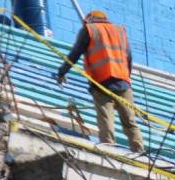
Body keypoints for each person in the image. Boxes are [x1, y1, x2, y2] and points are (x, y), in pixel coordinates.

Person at [57, 10, 145, 152]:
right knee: (130, 121)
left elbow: (75, 54)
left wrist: (62, 72)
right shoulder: (120, 31)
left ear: (89, 19)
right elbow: (128, 57)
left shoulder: (89, 30)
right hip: (123, 82)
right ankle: (139, 150)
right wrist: (126, 78)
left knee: (106, 120)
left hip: (101, 83)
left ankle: (108, 150)